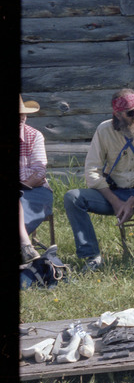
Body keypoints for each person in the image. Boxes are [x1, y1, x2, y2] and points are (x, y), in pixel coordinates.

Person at [64, 89, 134, 271]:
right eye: (130, 112)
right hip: (113, 193)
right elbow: (92, 171)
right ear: (117, 114)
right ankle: (92, 257)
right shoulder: (104, 130)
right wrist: (115, 202)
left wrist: (133, 201)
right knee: (72, 197)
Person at [19, 95, 52, 264]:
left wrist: (24, 184)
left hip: (35, 190)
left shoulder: (34, 136)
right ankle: (25, 247)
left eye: (23, 114)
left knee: (30, 213)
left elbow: (39, 172)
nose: (21, 118)